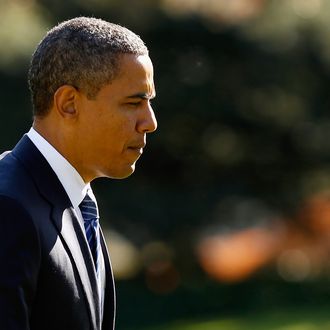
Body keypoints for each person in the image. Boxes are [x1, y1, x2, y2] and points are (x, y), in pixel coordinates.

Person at [0, 16, 157, 330]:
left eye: (148, 102)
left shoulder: (76, 199)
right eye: (132, 103)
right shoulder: (8, 208)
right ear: (69, 103)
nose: (149, 122)